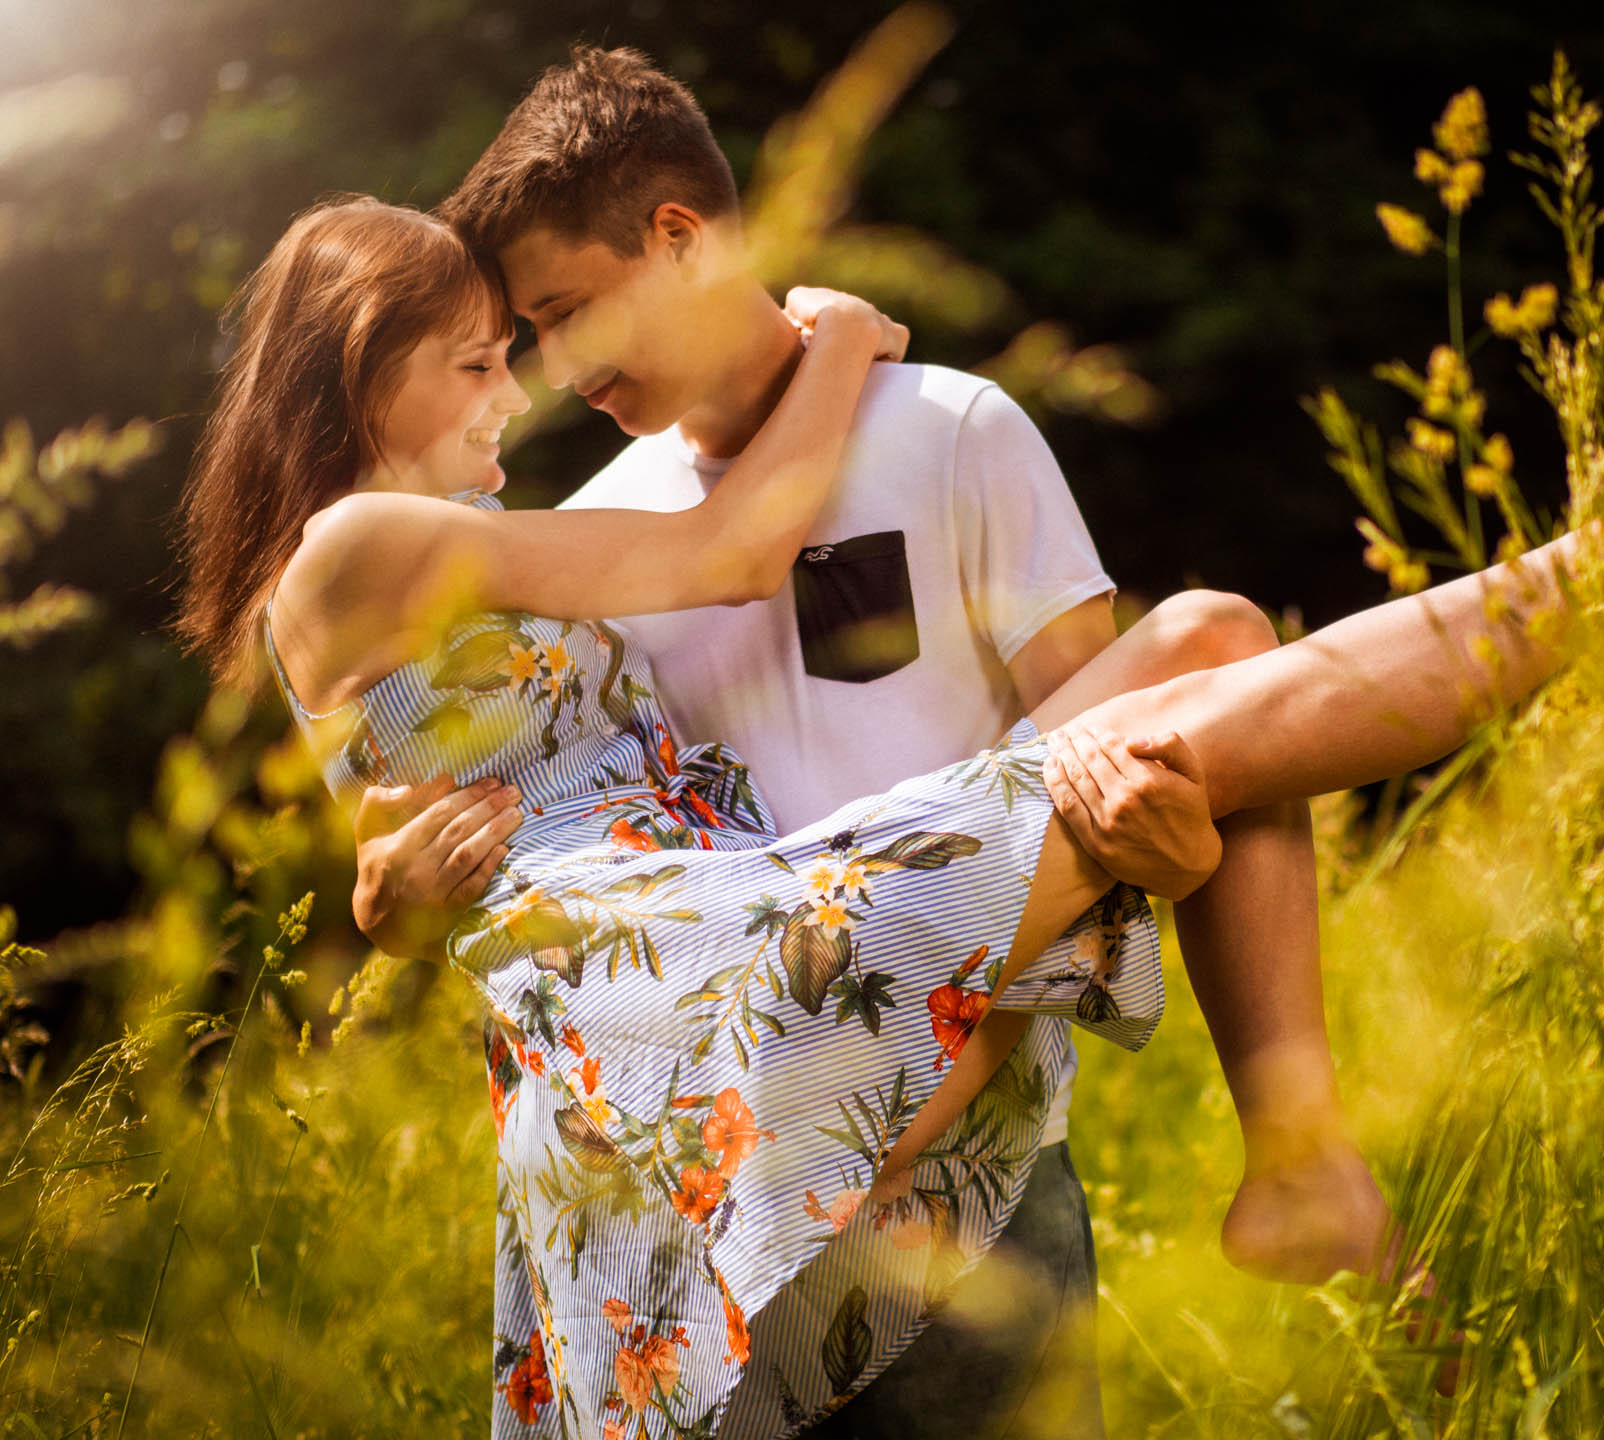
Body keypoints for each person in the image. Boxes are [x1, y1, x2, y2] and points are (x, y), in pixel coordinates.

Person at [351, 47, 1352, 1440]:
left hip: (976, 1200)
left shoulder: (951, 429)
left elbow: (1137, 743)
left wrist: (1171, 851)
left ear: (680, 238)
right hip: (728, 1230)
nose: (553, 368)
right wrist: (405, 891)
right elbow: (560, 840)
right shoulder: (614, 536)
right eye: (527, 336)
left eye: (568, 313)